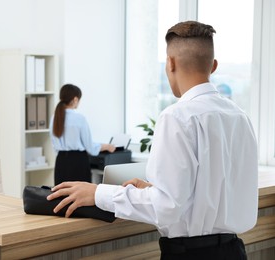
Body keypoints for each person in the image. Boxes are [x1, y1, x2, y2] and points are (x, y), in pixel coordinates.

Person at [47, 21, 258, 260]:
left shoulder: (178, 116)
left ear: (170, 63)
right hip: (235, 252)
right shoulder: (240, 117)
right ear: (214, 66)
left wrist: (98, 193)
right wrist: (154, 190)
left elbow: (165, 208)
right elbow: (212, 192)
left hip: (191, 255)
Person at [50, 84, 116, 185]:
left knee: (61, 196)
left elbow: (54, 145)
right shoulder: (79, 118)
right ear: (75, 99)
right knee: (81, 197)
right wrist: (106, 146)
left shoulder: (54, 118)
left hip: (61, 162)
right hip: (78, 162)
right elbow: (90, 147)